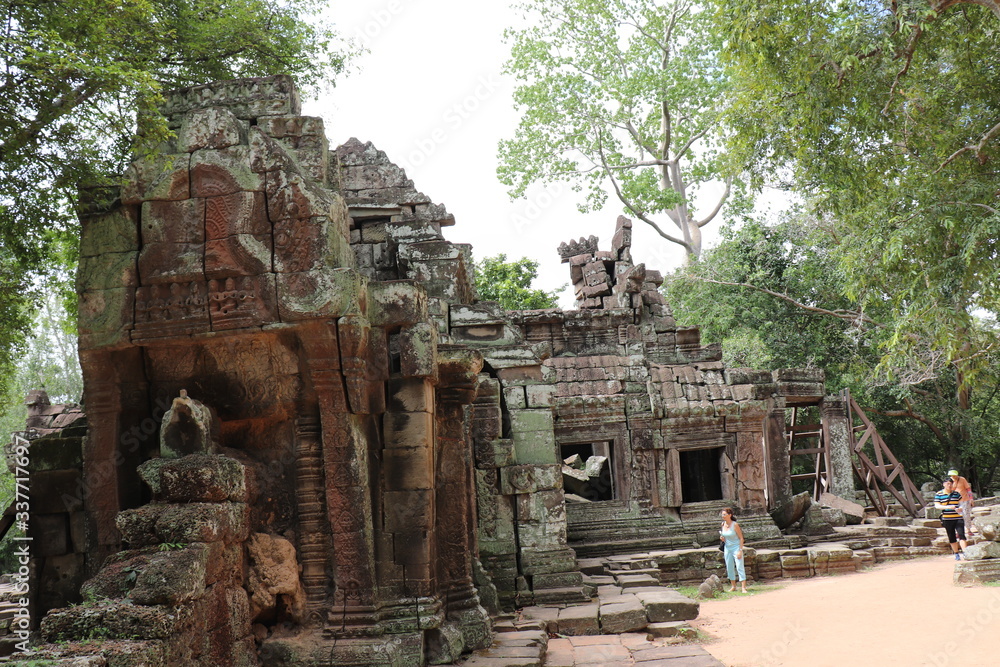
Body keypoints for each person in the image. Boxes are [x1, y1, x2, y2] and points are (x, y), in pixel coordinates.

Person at [935, 479, 967, 560]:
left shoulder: (956, 494)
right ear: (944, 484)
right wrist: (948, 507)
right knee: (951, 536)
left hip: (958, 517)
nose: (949, 485)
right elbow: (937, 506)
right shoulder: (939, 494)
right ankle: (956, 553)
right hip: (947, 518)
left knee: (961, 534)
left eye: (951, 484)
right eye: (948, 484)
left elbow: (962, 504)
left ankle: (965, 553)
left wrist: (960, 508)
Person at [720, 507, 748, 592]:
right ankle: (733, 586)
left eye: (724, 514)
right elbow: (725, 536)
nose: (723, 516)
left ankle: (743, 587)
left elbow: (741, 538)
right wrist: (722, 538)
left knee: (739, 566)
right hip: (727, 548)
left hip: (736, 547)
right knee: (729, 566)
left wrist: (740, 550)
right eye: (722, 514)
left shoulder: (735, 525)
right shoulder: (723, 524)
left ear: (730, 515)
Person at [948, 469, 975, 536]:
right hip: (955, 500)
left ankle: (968, 530)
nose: (953, 477)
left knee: (966, 515)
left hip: (964, 499)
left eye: (954, 475)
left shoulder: (962, 479)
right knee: (957, 516)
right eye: (952, 475)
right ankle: (958, 531)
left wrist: (971, 498)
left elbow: (968, 489)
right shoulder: (949, 481)